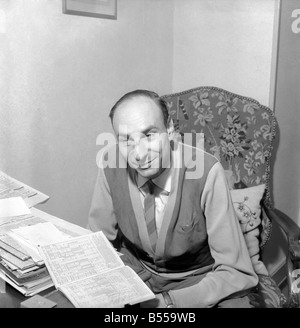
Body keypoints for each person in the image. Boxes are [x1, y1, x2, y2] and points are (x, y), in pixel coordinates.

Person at [87, 89, 258, 308]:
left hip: (196, 281)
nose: (139, 154)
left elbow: (235, 271)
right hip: (135, 273)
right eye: (126, 140)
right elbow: (97, 243)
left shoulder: (206, 171)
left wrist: (170, 302)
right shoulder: (111, 164)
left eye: (149, 135)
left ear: (169, 129)